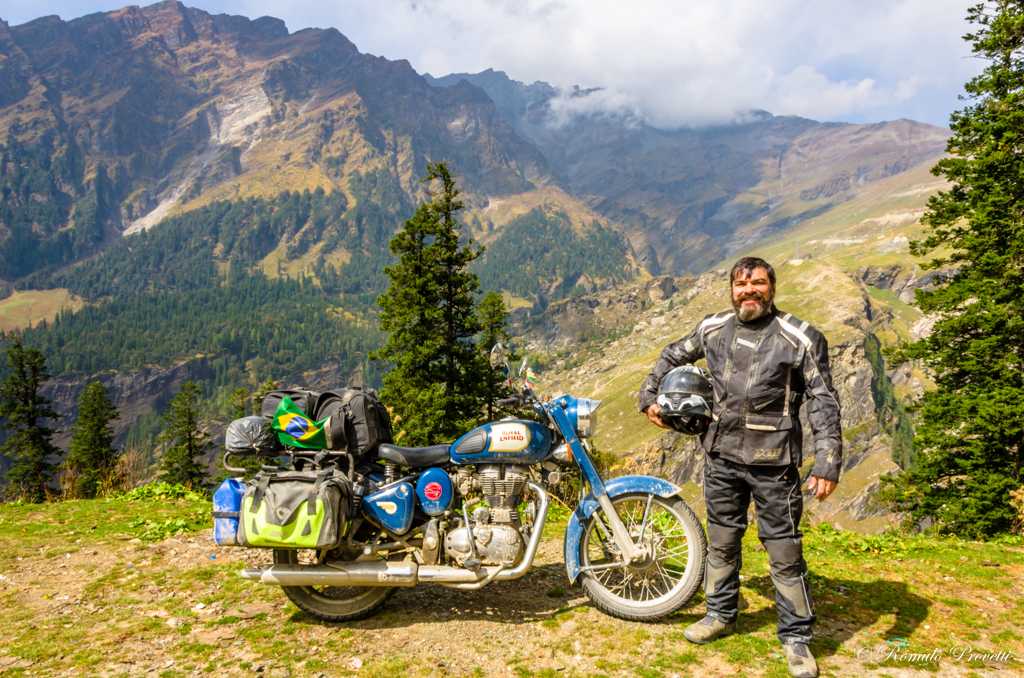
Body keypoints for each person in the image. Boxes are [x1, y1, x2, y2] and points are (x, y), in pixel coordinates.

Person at [638, 256, 842, 678]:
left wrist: (828, 461)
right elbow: (671, 355)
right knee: (722, 542)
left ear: (773, 288)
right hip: (720, 457)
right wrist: (649, 396)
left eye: (758, 283)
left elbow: (823, 401)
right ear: (731, 289)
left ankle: (797, 638)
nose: (749, 291)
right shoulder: (712, 329)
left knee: (784, 551)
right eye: (741, 284)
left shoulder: (800, 337)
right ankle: (720, 614)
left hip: (775, 463)